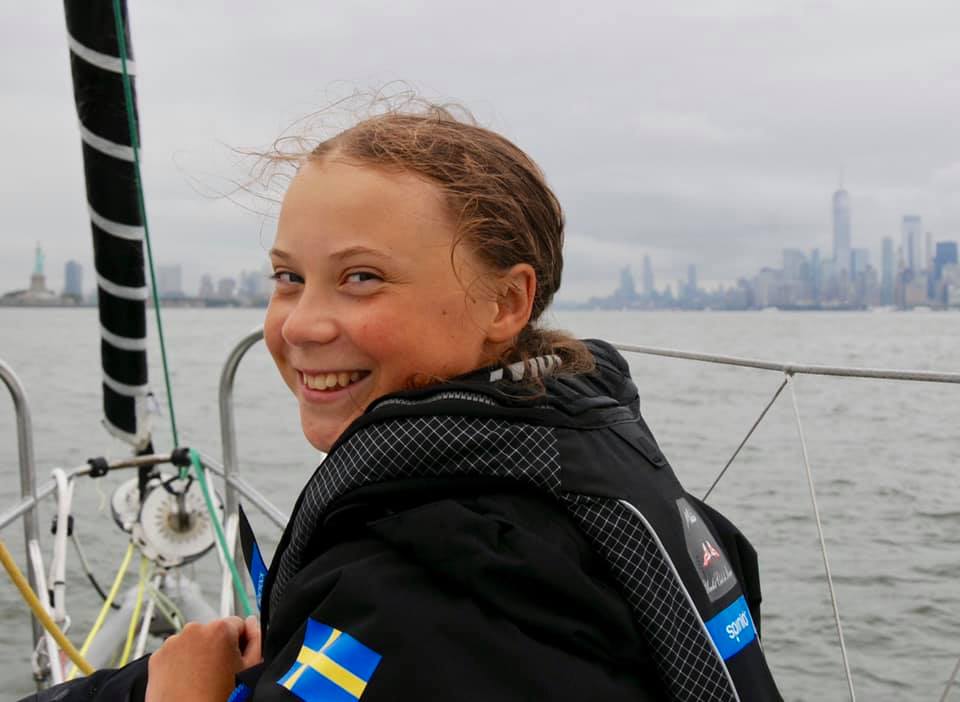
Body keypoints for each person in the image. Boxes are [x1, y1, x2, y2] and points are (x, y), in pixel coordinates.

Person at [29, 104, 782, 701]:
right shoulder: (580, 459)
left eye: (362, 278)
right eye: (289, 277)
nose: (299, 324)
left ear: (506, 302)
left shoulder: (445, 585)